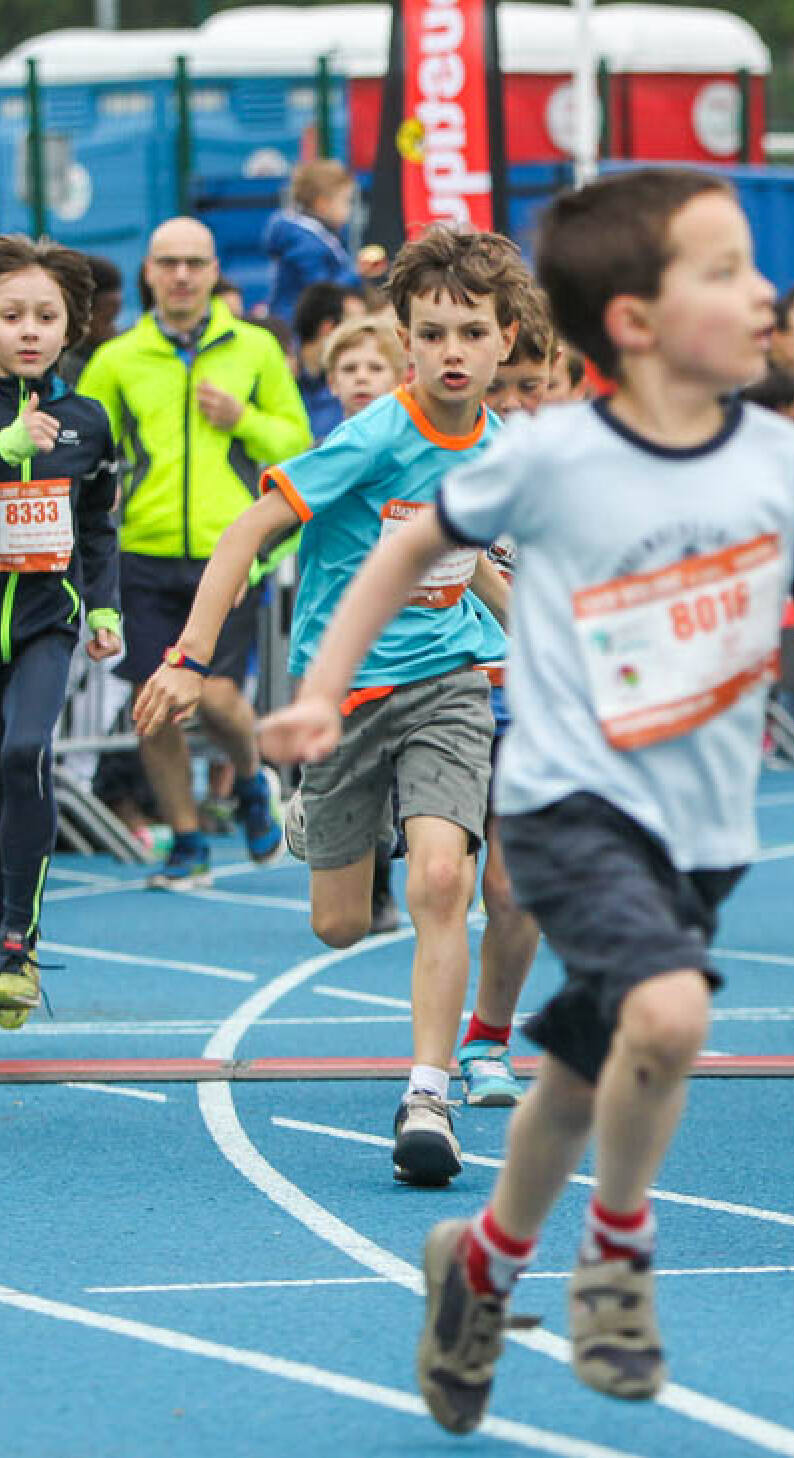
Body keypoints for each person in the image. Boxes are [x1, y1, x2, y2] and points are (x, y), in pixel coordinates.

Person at [256, 167, 794, 1431]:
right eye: (725, 272)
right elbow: (406, 549)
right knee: (666, 1014)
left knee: (586, 1065)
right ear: (634, 319)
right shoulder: (551, 455)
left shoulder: (782, 465)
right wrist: (323, 688)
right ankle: (616, 1259)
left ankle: (481, 1266)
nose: (763, 296)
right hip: (571, 796)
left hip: (701, 818)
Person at [133, 225, 532, 1185]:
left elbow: (473, 564)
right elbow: (246, 533)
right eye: (431, 334)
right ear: (405, 341)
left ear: (506, 341)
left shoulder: (502, 452)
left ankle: (427, 1095)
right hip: (344, 692)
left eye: (472, 334)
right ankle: (318, 809)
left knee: (443, 879)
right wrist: (188, 658)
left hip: (448, 681)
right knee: (339, 927)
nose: (451, 352)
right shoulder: (374, 437)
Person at [79, 217, 309, 888]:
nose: (181, 275)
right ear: (149, 273)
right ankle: (186, 840)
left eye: (195, 263)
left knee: (214, 695)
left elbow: (297, 444)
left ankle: (251, 779)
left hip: (228, 554)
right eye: (169, 263)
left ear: (213, 272)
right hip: (142, 553)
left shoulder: (256, 349)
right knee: (154, 702)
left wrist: (244, 420)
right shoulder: (118, 358)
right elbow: (86, 445)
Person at [0, 237, 121, 1028]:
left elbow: (99, 526)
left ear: (71, 326)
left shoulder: (86, 421)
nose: (29, 330)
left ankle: (17, 940)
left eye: (45, 316)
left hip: (46, 622)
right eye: (11, 315)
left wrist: (104, 607)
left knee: (23, 753)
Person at [456, 284, 557, 1108]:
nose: (517, 403)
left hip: (535, 698)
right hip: (441, 686)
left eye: (534, 386)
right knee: (439, 886)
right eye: (503, 387)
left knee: (514, 886)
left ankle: (485, 1040)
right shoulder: (436, 450)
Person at [320, 311, 412, 936]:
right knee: (359, 764)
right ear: (330, 382)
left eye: (374, 367)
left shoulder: (415, 449)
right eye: (348, 368)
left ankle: (403, 867)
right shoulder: (327, 452)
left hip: (412, 626)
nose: (360, 378)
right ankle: (372, 881)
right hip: (343, 634)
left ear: (400, 376)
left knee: (405, 755)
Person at [294, 281, 368, 440]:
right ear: (329, 328)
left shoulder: (362, 387)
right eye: (355, 326)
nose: (365, 336)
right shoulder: (278, 372)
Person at [57, 253, 122, 386]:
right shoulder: (64, 368)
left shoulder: (120, 352)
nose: (113, 330)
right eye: (107, 320)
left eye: (115, 320)